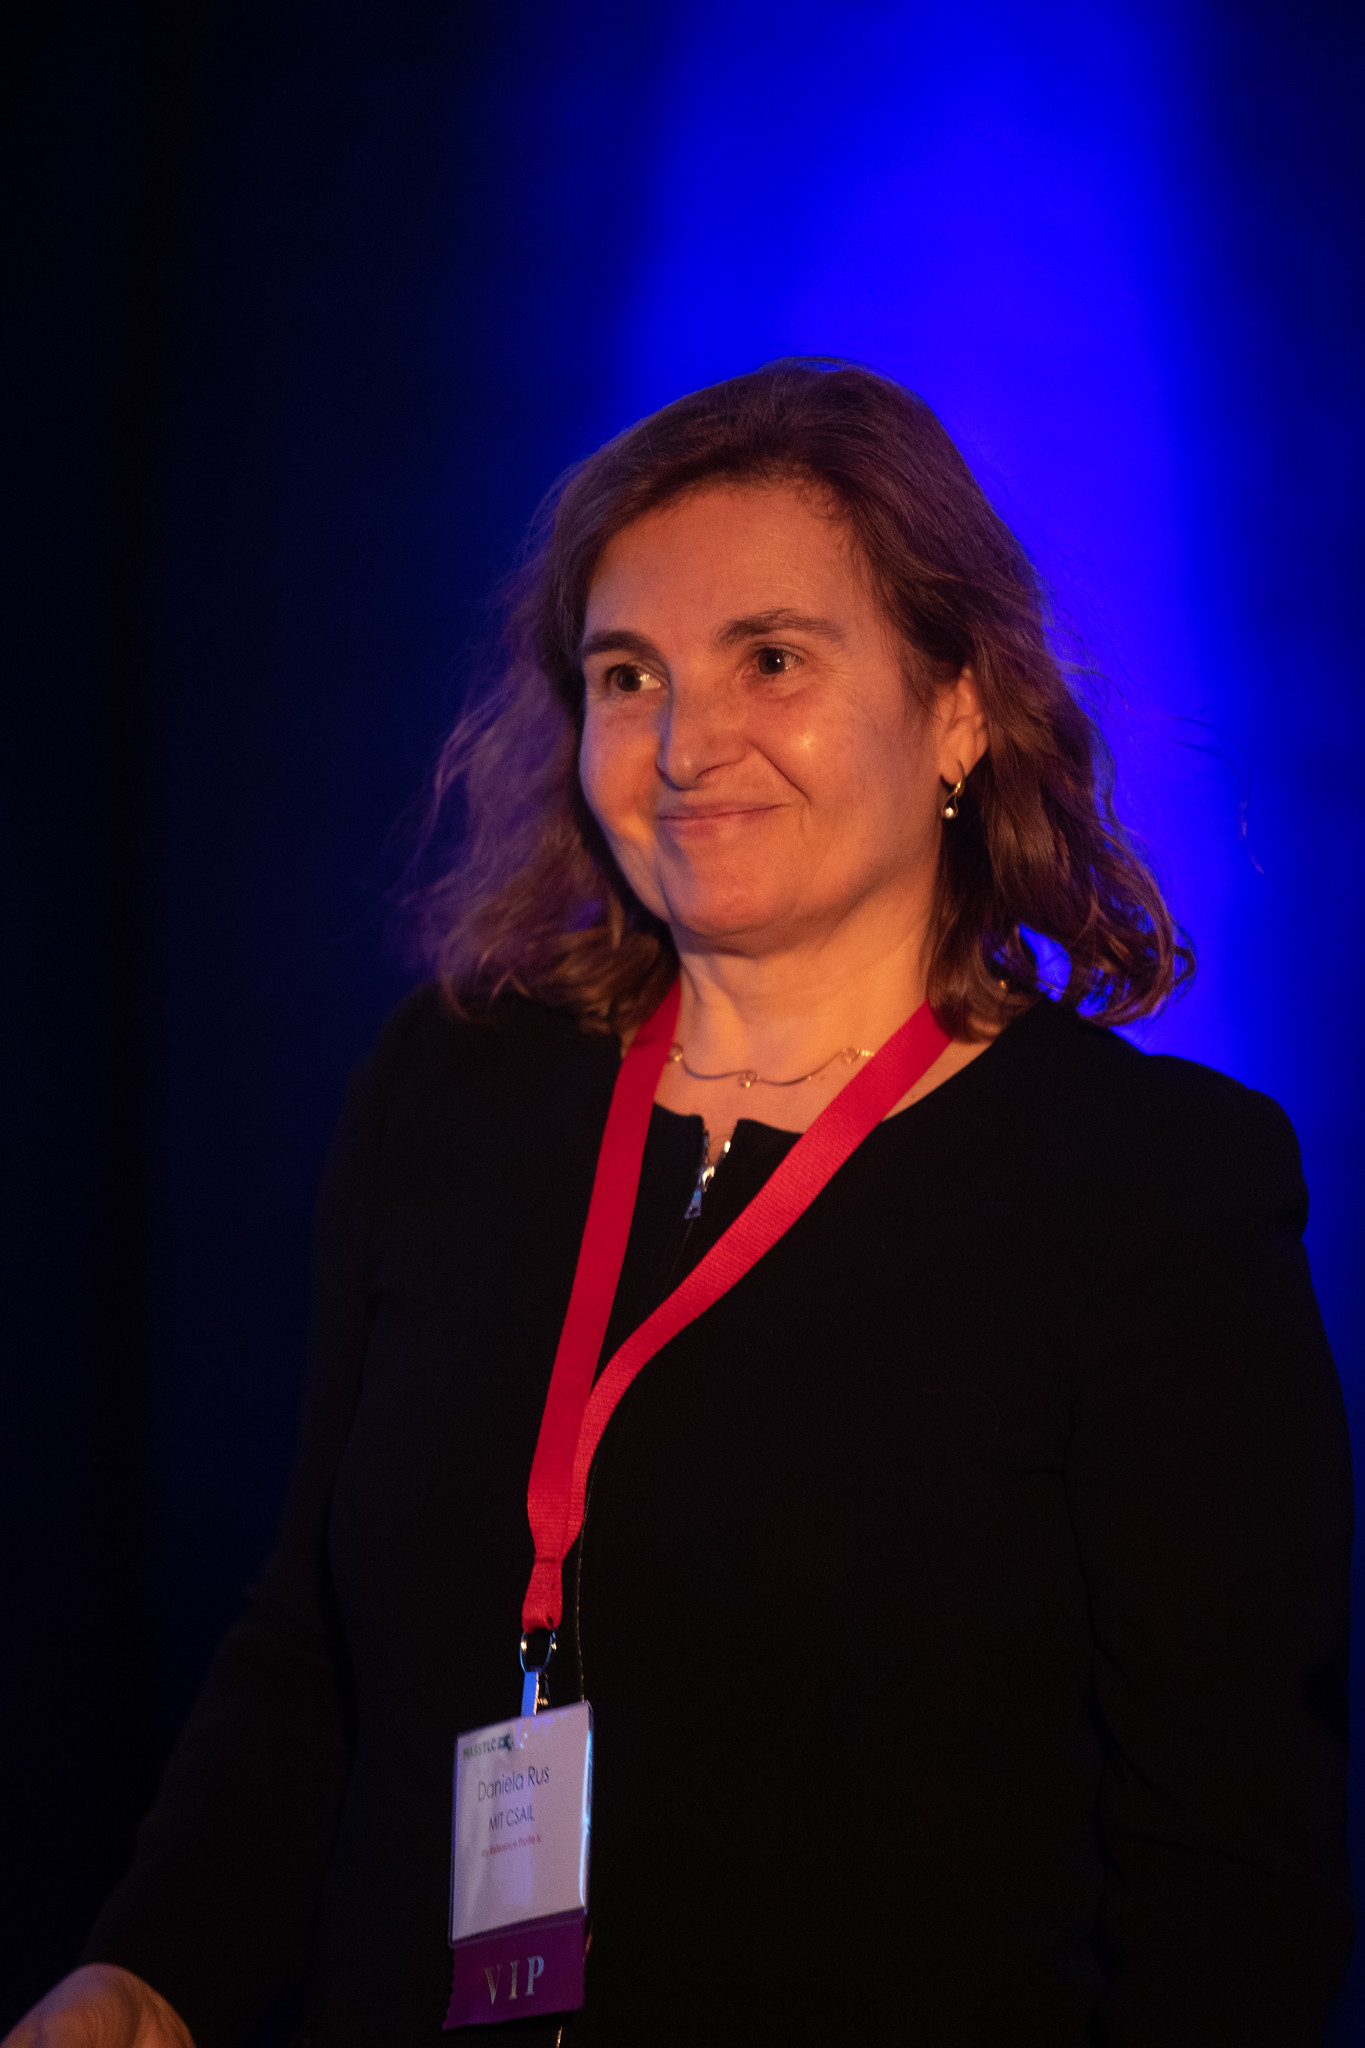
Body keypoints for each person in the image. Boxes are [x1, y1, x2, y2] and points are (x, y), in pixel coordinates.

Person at [8, 361, 1351, 2048]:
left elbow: (1230, 1872)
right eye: (626, 674)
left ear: (957, 708)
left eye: (771, 659)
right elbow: (311, 1650)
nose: (684, 745)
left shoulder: (1148, 1187)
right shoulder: (450, 1090)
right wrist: (146, 1974)